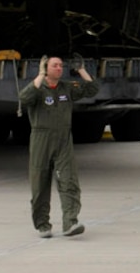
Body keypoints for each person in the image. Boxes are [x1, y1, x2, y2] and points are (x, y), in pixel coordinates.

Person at [19, 54, 99, 237]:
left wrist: (81, 69)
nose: (59, 68)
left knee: (69, 181)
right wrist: (39, 76)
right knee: (39, 184)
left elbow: (92, 89)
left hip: (63, 140)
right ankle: (42, 225)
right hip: (41, 139)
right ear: (46, 68)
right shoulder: (39, 89)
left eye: (61, 66)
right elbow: (24, 98)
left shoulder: (66, 88)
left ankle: (70, 222)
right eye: (55, 65)